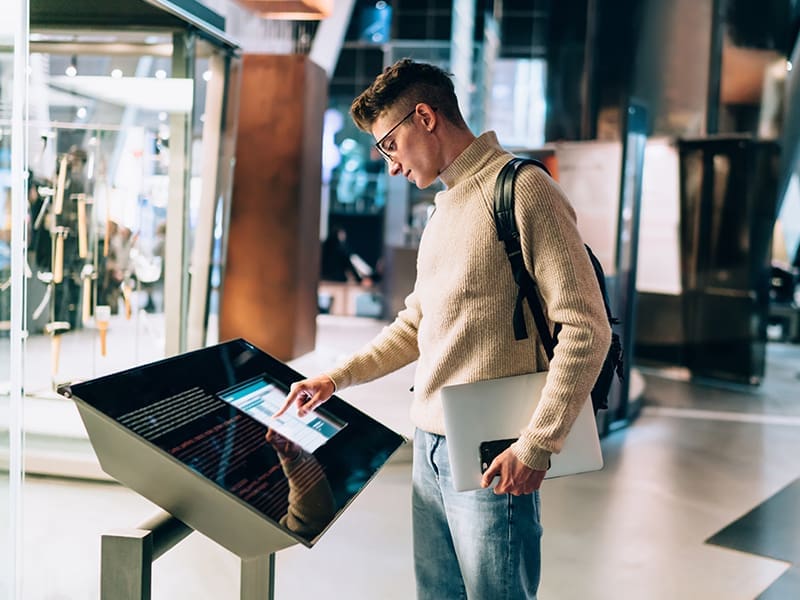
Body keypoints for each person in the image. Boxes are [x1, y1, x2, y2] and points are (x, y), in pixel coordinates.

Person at [275, 58, 611, 599]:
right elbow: (416, 323)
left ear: (425, 117)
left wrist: (538, 444)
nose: (389, 166)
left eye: (388, 145)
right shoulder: (442, 209)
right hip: (428, 445)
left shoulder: (523, 191)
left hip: (494, 448)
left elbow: (585, 327)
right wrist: (334, 379)